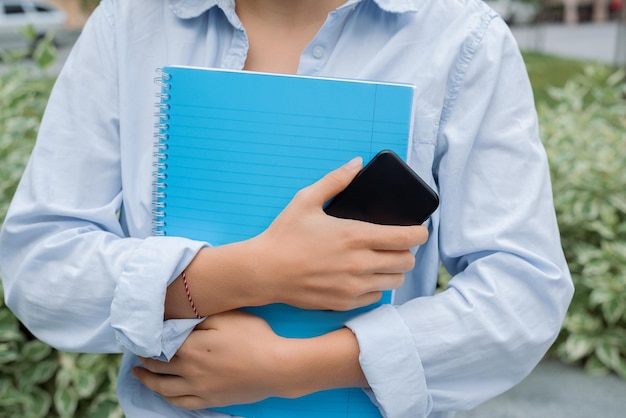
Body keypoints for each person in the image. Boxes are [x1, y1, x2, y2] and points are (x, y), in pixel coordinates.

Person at [0, 0, 574, 417]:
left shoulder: (464, 40)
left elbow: (524, 291)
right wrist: (248, 274)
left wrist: (296, 368)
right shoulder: (129, 24)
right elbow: (41, 264)